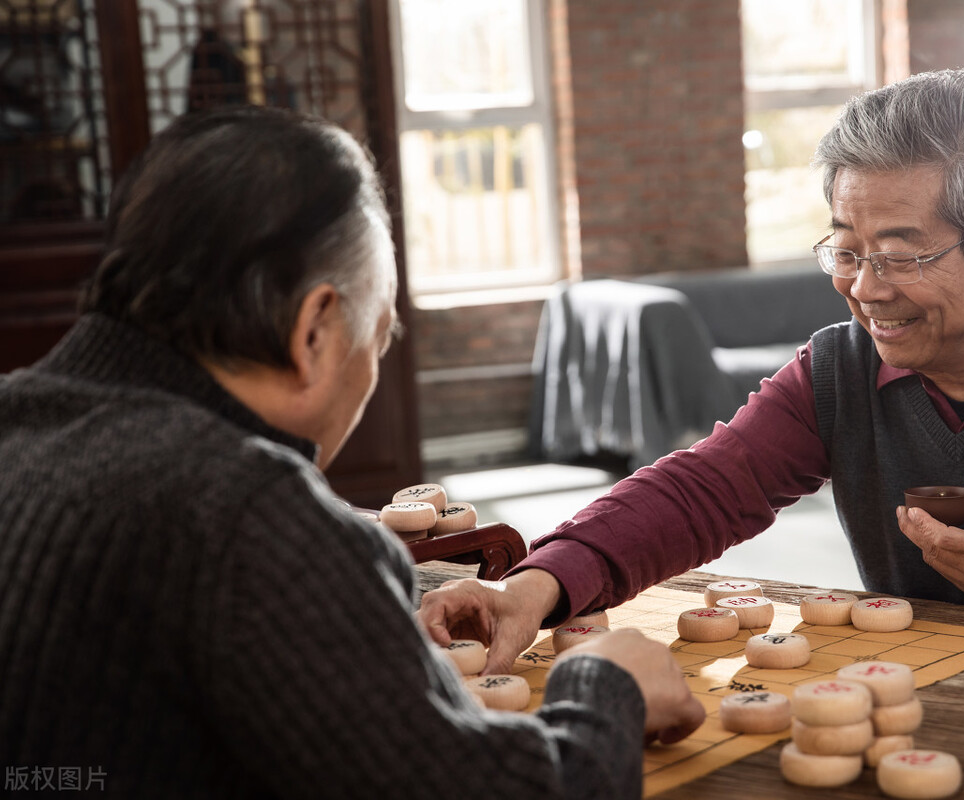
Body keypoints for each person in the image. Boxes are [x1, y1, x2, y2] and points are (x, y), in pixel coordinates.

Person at [0, 106, 703, 798]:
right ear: (313, 331)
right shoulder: (252, 515)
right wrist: (606, 688)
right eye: (380, 335)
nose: (374, 359)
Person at [419, 67, 964, 672]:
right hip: (918, 706)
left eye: (898, 255)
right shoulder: (840, 369)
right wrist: (528, 587)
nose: (864, 289)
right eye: (847, 251)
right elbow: (702, 489)